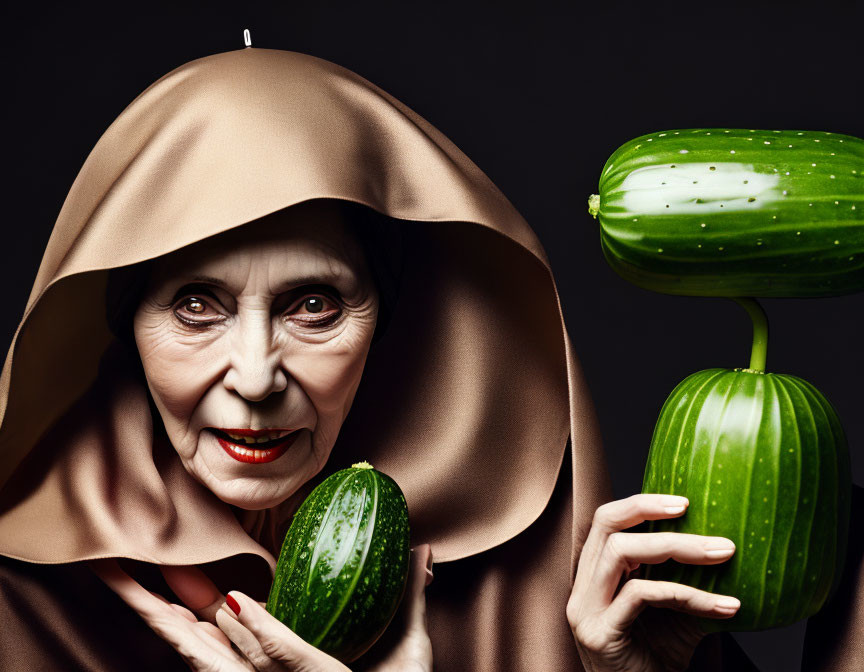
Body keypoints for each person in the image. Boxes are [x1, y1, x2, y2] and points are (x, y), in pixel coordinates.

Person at [1, 45, 860, 672]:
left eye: (315, 306)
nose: (257, 377)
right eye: (196, 307)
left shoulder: (569, 590)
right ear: (116, 322)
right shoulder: (20, 605)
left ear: (395, 322)